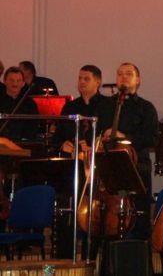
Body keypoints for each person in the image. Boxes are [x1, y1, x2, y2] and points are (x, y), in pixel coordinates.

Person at [96, 63, 158, 240]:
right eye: (120, 74)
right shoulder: (106, 105)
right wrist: (102, 136)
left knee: (139, 219)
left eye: (129, 74)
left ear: (138, 80)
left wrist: (124, 137)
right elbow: (95, 132)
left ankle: (138, 254)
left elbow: (152, 139)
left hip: (137, 167)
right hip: (110, 167)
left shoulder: (146, 108)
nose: (123, 77)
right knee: (106, 217)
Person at [53, 64, 108, 259]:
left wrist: (94, 146)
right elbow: (57, 137)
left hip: (96, 172)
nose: (81, 82)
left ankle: (89, 260)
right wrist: (64, 144)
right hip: (73, 170)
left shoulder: (106, 106)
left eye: (86, 79)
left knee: (92, 217)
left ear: (98, 82)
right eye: (80, 78)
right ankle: (64, 262)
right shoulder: (70, 107)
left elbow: (108, 136)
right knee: (67, 215)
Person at [0, 66, 40, 141]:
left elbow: (33, 125)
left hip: (23, 143)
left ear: (23, 83)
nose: (15, 84)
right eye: (11, 80)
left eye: (18, 81)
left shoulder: (30, 103)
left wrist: (24, 140)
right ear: (4, 81)